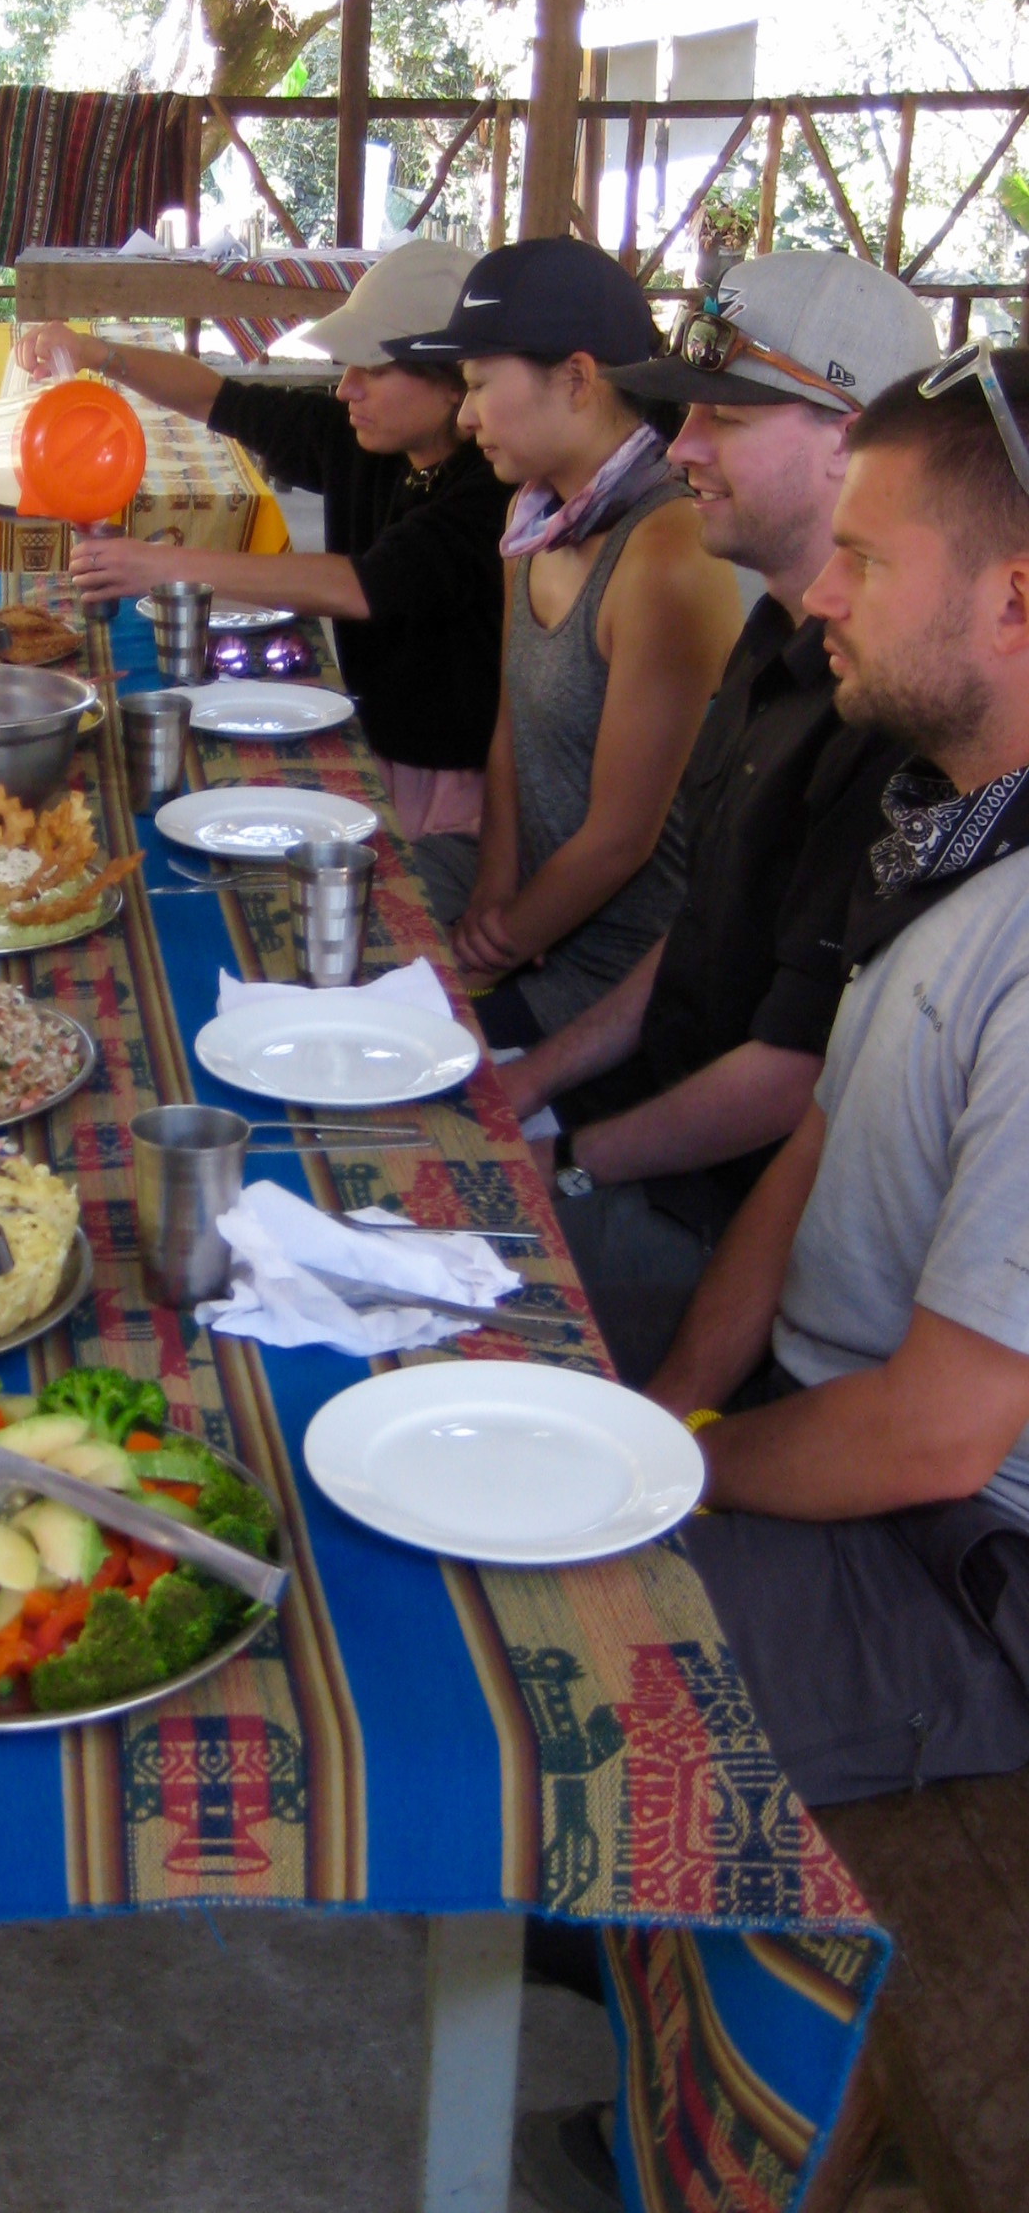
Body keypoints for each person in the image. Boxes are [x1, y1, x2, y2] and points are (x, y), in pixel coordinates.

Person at [523, 347, 1029, 2213]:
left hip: (967, 1570)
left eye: (865, 559)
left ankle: (734, 2123)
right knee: (501, 1383)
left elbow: (932, 1430)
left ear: (1009, 597)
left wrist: (672, 1477)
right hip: (841, 1427)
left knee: (540, 1644)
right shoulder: (950, 815)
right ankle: (634, 2000)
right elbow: (813, 1149)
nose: (815, 588)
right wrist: (670, 1411)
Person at [499, 255, 940, 1381]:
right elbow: (696, 926)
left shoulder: (903, 729)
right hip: (639, 1134)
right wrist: (535, 1082)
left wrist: (574, 1160)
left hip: (721, 1231)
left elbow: (793, 1076)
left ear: (851, 440)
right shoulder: (774, 639)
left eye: (725, 417)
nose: (681, 445)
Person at [18, 241, 506, 840]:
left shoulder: (490, 494)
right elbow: (216, 398)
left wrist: (160, 566)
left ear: (455, 385)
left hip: (449, 786)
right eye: (347, 368)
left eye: (373, 371)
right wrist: (101, 355)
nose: (346, 389)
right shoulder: (372, 443)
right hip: (373, 737)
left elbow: (361, 586)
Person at [401, 240, 745, 1041]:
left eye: (481, 385)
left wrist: (496, 946)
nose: (464, 416)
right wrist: (492, 884)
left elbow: (623, 839)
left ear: (579, 380)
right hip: (523, 897)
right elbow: (511, 721)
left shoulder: (667, 553)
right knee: (333, 900)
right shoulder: (535, 519)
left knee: (395, 1049)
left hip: (611, 966)